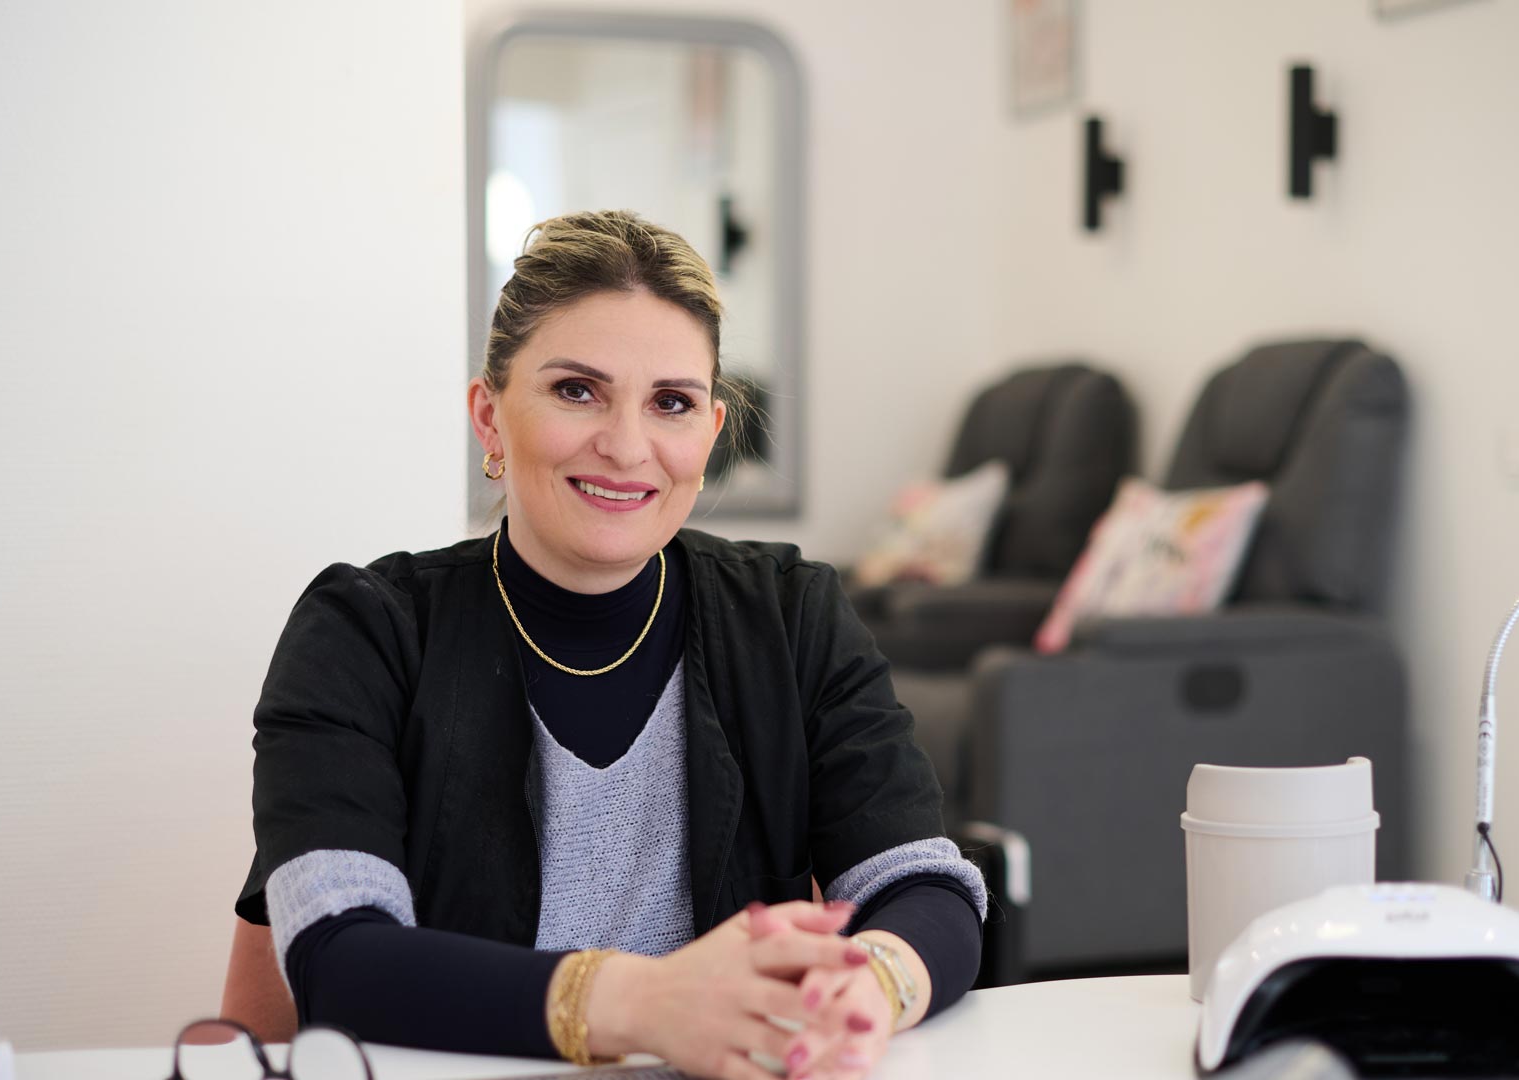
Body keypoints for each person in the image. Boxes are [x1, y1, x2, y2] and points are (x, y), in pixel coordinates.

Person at [231, 210, 984, 1080]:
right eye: (577, 391)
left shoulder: (792, 615)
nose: (627, 447)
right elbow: (339, 964)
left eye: (671, 403)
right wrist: (647, 1004)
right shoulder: (363, 629)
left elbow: (925, 890)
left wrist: (867, 986)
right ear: (489, 417)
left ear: (710, 432)